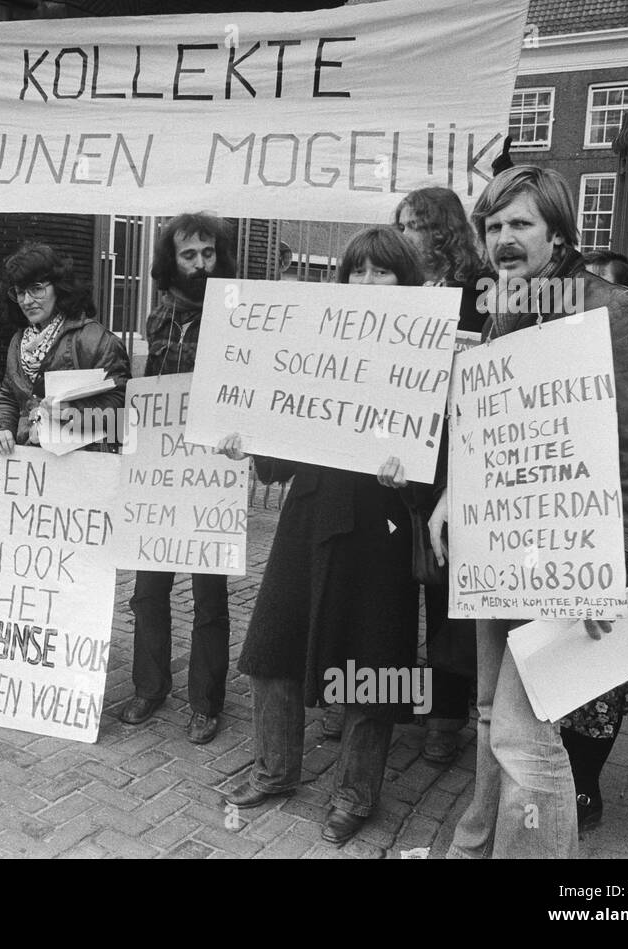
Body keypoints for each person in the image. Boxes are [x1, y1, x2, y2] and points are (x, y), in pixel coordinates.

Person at [429, 166, 628, 858]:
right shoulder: (502, 309)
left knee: (522, 727)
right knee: (490, 714)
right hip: (501, 550)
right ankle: (474, 844)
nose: (505, 239)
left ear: (558, 231)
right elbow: (493, 429)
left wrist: (609, 568)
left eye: (521, 224)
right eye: (494, 226)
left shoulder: (614, 308)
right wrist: (457, 495)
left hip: (569, 554)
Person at [220, 226, 423, 846]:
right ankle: (275, 768)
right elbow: (282, 450)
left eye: (380, 272)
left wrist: (408, 475)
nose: (366, 284)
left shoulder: (426, 355)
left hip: (379, 531)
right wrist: (249, 442)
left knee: (372, 662)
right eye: (355, 272)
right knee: (272, 645)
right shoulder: (317, 341)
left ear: (404, 283)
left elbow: (439, 460)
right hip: (308, 516)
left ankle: (356, 792)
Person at [119, 212, 237, 745]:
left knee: (209, 594)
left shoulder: (236, 315)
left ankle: (207, 701)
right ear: (172, 259)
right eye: (189, 255)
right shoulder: (158, 315)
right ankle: (150, 687)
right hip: (162, 471)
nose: (200, 264)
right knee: (149, 590)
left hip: (211, 473)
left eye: (208, 254)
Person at [560, 248, 628, 831]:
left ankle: (585, 784)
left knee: (601, 670)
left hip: (613, 538)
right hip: (556, 535)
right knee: (558, 654)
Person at [392, 186, 488, 763]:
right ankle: (399, 700)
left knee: (451, 591)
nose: (403, 235)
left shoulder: (479, 294)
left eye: (413, 226)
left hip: (458, 460)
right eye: (399, 225)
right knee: (406, 580)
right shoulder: (399, 292)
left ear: (442, 231)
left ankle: (448, 718)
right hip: (408, 461)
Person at [0, 243, 129, 454]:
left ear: (59, 288)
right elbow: (8, 394)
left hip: (82, 461)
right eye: (20, 292)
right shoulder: (19, 341)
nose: (27, 301)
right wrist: (1, 427)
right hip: (33, 459)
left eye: (36, 289)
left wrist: (72, 414)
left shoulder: (96, 339)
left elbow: (122, 405)